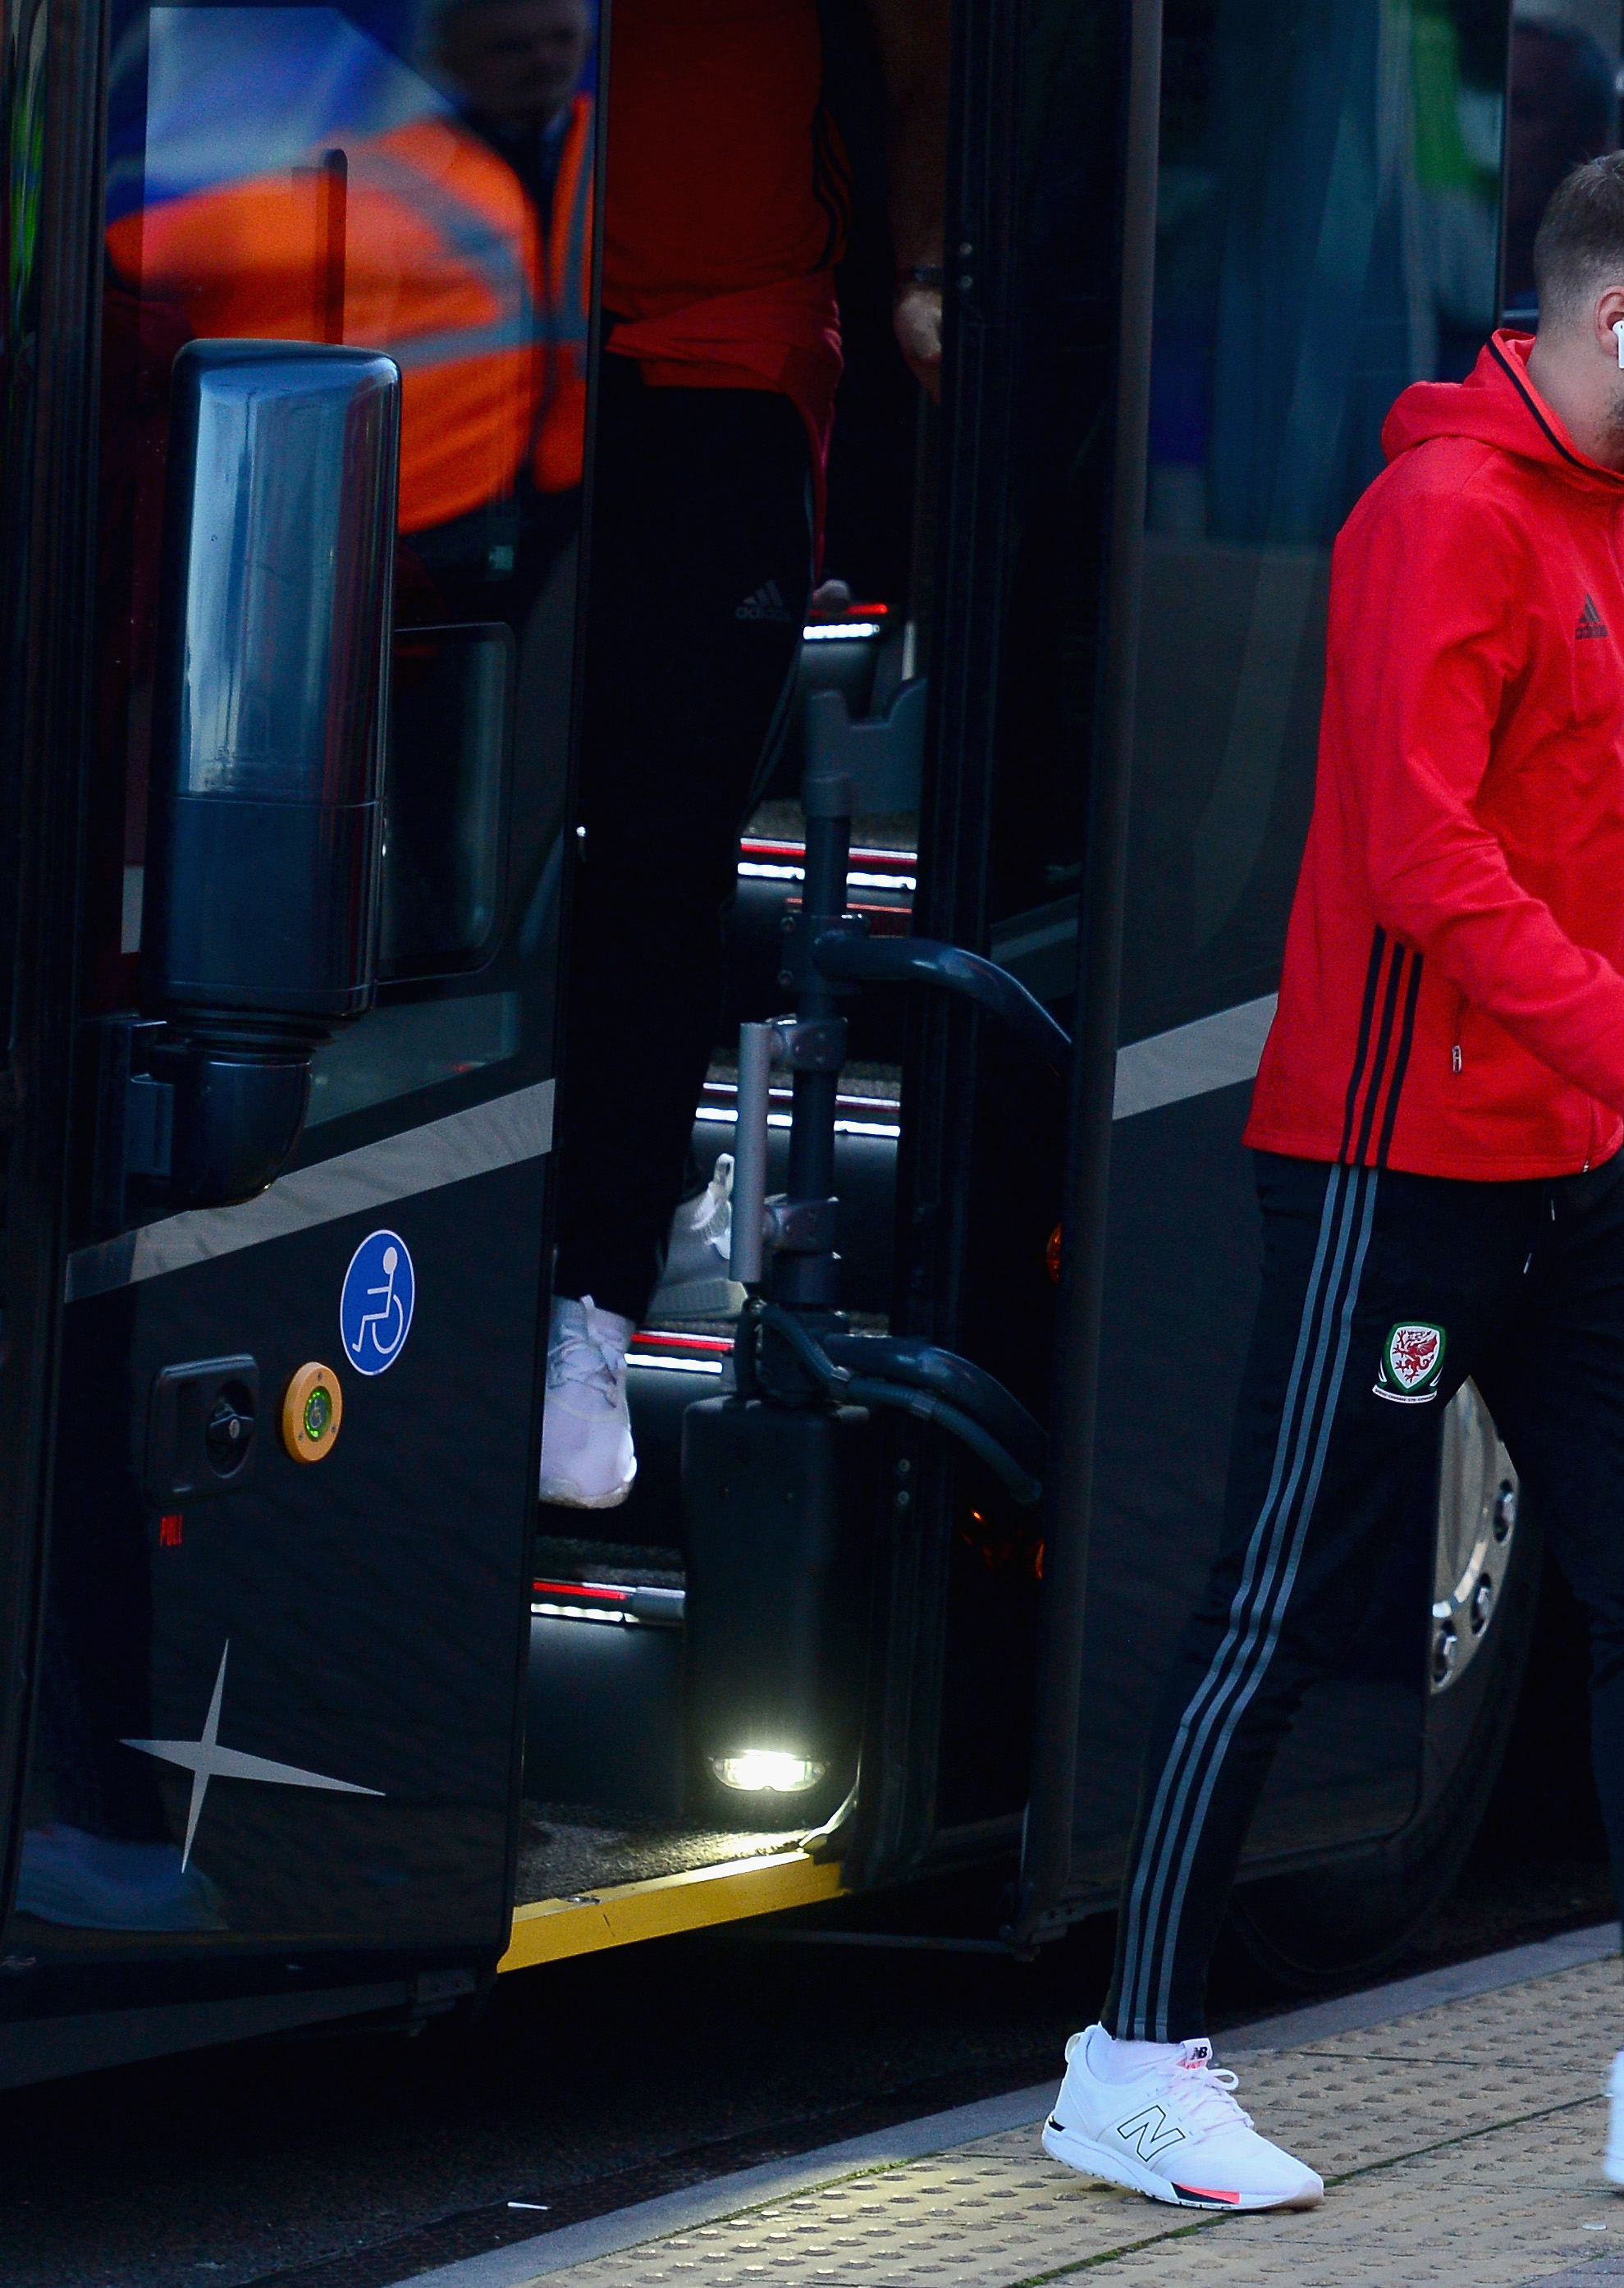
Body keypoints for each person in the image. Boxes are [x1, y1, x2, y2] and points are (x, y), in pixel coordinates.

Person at [1036, 151, 1624, 2212]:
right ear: (1615, 321)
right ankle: (1125, 2060)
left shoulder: (1614, 519)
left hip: (1550, 1153)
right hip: (1394, 1159)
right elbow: (1427, 862)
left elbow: (1555, 793)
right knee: (1280, 1603)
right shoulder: (1439, 516)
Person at [537, 0, 948, 1508]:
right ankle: (618, 1214)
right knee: (473, 858)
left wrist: (918, 270)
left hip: (722, 373)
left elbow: (921, 58)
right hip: (489, 337)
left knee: (655, 852)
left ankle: (596, 1305)